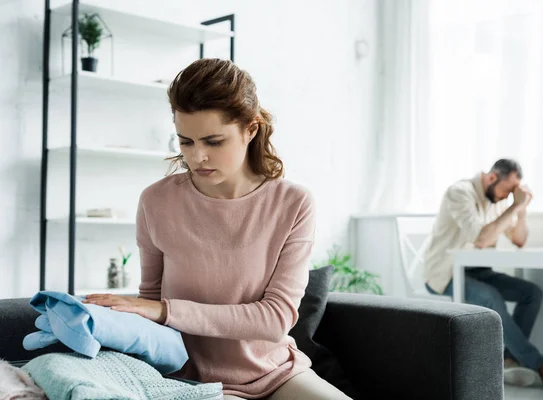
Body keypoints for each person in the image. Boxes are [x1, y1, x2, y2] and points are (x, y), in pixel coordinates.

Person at [83, 59, 351, 400]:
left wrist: (167, 310)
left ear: (250, 130)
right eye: (186, 142)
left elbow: (275, 320)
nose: (198, 158)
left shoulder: (293, 203)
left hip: (276, 373)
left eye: (213, 142)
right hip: (189, 380)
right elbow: (149, 301)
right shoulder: (156, 201)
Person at [423, 159, 543, 393]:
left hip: (478, 271)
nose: (509, 196)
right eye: (507, 190)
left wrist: (521, 209)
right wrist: (511, 207)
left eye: (512, 193)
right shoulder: (460, 193)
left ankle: (507, 360)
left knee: (531, 293)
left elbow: (519, 240)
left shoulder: (498, 200)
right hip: (444, 274)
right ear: (491, 178)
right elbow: (481, 239)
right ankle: (541, 366)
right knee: (490, 297)